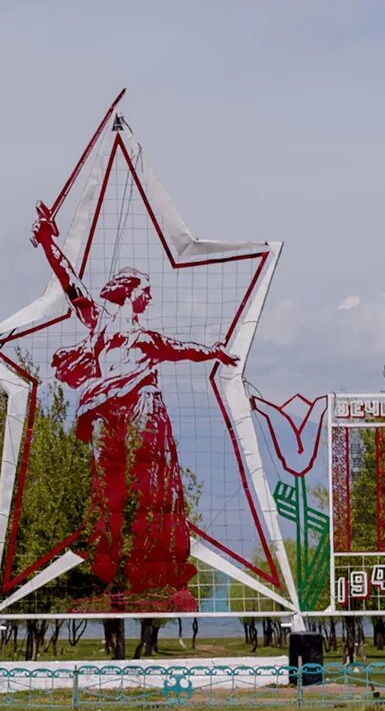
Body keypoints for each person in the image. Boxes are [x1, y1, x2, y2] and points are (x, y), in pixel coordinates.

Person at [31, 202, 233, 610]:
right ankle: (108, 577)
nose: (151, 295)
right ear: (128, 291)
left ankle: (152, 575)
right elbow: (69, 281)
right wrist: (49, 242)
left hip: (142, 404)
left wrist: (214, 352)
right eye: (146, 289)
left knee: (151, 489)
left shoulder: (149, 339)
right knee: (109, 494)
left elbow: (183, 349)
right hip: (106, 410)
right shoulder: (101, 320)